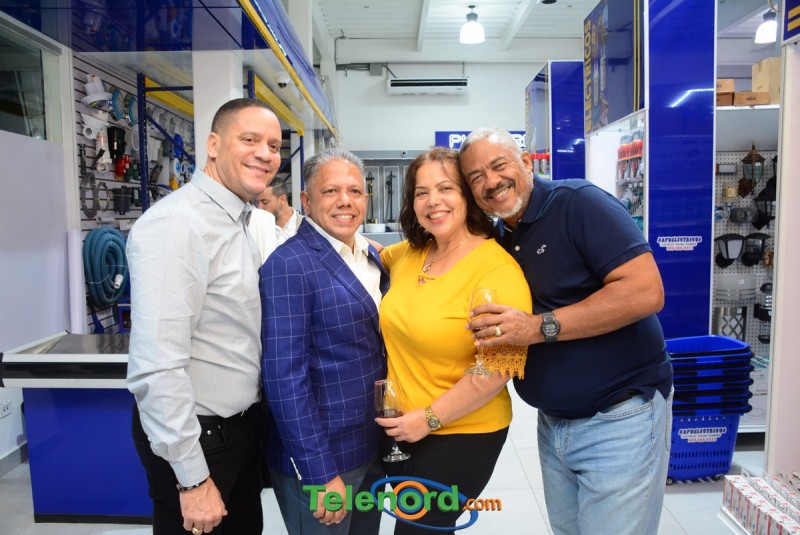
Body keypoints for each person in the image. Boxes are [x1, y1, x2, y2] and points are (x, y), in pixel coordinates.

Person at [460, 126, 673, 535]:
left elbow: (646, 291)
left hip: (620, 416)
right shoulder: (502, 235)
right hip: (554, 424)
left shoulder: (578, 203)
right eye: (476, 177)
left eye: (499, 165)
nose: (491, 181)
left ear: (526, 162)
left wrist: (537, 328)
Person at [126, 97, 282, 535]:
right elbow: (157, 365)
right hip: (199, 439)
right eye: (249, 140)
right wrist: (192, 478)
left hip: (238, 432)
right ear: (213, 145)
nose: (265, 154)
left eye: (273, 146)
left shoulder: (238, 219)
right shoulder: (179, 224)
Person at [375, 147, 532, 534]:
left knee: (418, 529)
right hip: (404, 430)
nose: (433, 201)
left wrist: (429, 419)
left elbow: (498, 369)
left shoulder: (496, 270)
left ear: (468, 196)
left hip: (461, 433)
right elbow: (367, 252)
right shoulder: (411, 254)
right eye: (422, 192)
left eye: (446, 188)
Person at [260, 148, 388, 535]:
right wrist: (319, 472)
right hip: (325, 458)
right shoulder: (290, 264)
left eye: (355, 191)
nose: (345, 201)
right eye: (330, 191)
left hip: (370, 444)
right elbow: (284, 379)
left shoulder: (370, 256)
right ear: (306, 200)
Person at [254, 178, 304, 244]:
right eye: (257, 202)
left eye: (265, 202)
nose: (259, 207)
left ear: (282, 199)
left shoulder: (306, 225)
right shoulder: (256, 228)